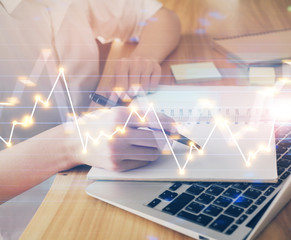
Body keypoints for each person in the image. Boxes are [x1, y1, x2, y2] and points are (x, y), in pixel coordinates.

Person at [0, 0, 180, 238]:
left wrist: (144, 57)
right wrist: (71, 143)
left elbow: (161, 16)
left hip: (100, 169)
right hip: (33, 218)